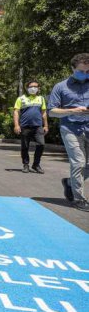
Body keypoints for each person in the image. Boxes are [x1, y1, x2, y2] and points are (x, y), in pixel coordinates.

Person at [48, 53, 89, 212]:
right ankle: (79, 199)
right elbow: (52, 111)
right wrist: (72, 111)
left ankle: (70, 183)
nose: (85, 74)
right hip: (70, 128)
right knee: (79, 162)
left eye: (88, 72)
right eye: (81, 71)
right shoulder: (61, 87)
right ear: (72, 68)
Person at [13, 80, 48, 174]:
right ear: (27, 88)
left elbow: (44, 112)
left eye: (35, 86)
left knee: (41, 144)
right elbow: (16, 112)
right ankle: (25, 165)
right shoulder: (21, 98)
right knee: (25, 146)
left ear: (38, 88)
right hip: (25, 126)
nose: (33, 88)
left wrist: (46, 125)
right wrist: (16, 125)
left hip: (38, 126)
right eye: (31, 86)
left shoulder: (41, 98)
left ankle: (36, 165)